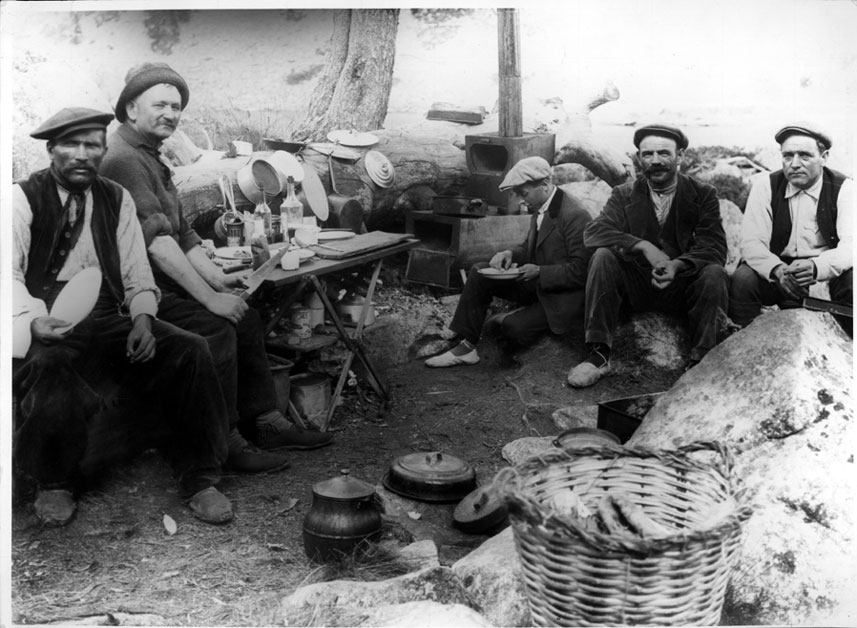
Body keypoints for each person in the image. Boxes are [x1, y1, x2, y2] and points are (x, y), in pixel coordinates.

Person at [100, 63, 332, 471]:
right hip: (131, 295)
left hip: (163, 282)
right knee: (216, 326)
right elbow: (156, 243)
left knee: (246, 316)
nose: (171, 114)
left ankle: (265, 423)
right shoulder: (123, 161)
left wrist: (218, 279)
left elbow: (182, 233)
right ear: (131, 109)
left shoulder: (148, 156)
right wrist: (209, 299)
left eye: (176, 106)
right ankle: (223, 439)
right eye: (160, 105)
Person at [13, 107, 235, 526]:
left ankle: (201, 478)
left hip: (104, 310)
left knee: (190, 348)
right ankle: (55, 483)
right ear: (51, 150)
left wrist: (143, 319)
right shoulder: (20, 199)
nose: (83, 154)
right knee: (50, 364)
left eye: (92, 145)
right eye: (72, 144)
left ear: (102, 149)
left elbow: (136, 272)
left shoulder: (116, 197)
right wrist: (30, 322)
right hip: (41, 311)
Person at [567, 124, 729, 387]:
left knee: (714, 273)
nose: (655, 161)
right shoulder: (624, 193)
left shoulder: (703, 194)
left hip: (682, 289)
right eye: (647, 154)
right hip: (638, 288)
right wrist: (642, 245)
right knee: (603, 256)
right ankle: (598, 354)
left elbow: (715, 247)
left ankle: (701, 360)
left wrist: (678, 264)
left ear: (681, 156)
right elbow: (594, 233)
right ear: (639, 158)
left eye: (664, 153)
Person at [425, 156, 593, 368]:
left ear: (544, 185)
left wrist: (540, 271)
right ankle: (466, 347)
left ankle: (515, 316)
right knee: (478, 271)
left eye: (523, 193)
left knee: (511, 329)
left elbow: (583, 271)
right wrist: (510, 253)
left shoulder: (575, 214)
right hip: (539, 283)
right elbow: (528, 246)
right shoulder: (542, 205)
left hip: (564, 297)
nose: (521, 200)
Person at [729, 123, 852, 328]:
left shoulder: (845, 188)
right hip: (780, 271)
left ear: (824, 157)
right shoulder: (765, 186)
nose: (794, 164)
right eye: (788, 156)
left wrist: (816, 267)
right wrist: (777, 270)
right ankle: (741, 341)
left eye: (804, 155)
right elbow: (751, 242)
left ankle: (846, 347)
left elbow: (851, 246)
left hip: (826, 271)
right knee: (743, 278)